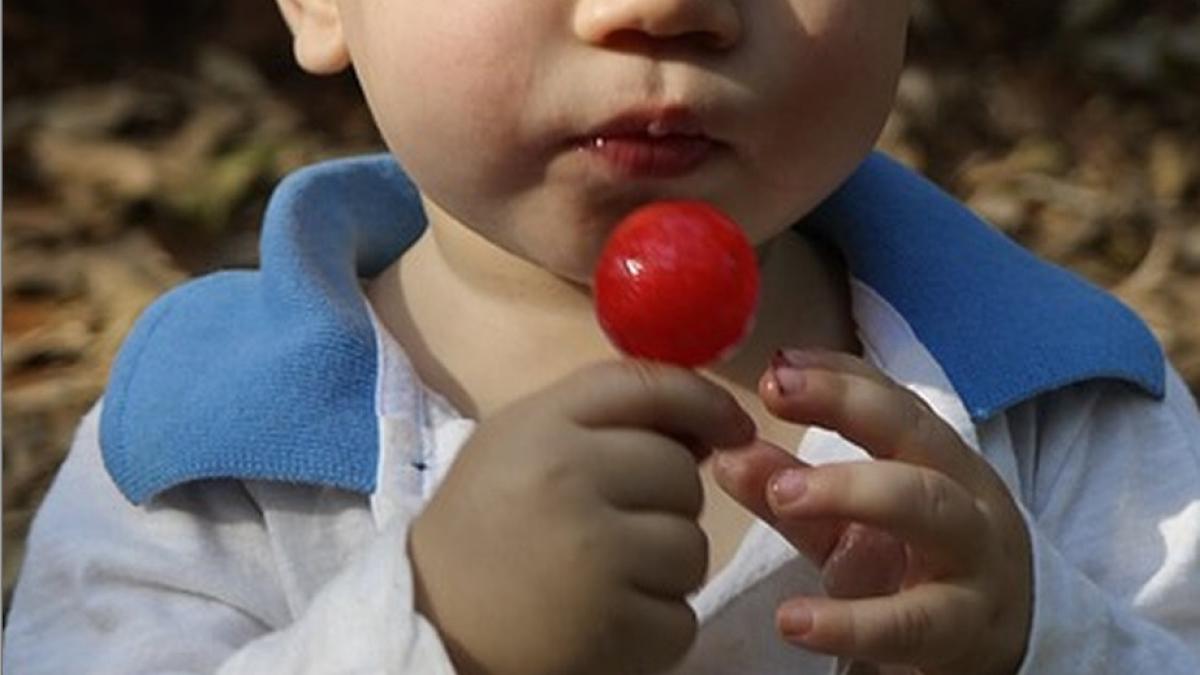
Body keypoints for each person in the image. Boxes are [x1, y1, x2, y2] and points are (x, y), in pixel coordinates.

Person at [5, 0, 1199, 672]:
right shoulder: (199, 450)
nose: (666, 7)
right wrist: (429, 632)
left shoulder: (1068, 401)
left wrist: (1042, 640)